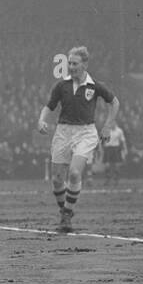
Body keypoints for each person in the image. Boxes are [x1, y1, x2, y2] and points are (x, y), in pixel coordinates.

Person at [38, 46, 119, 231]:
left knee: (74, 173)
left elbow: (114, 103)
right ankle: (65, 213)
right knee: (58, 179)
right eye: (70, 64)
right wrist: (41, 120)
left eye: (75, 63)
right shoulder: (61, 85)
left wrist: (107, 126)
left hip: (85, 132)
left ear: (85, 64)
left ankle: (66, 215)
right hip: (63, 132)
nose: (72, 67)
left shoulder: (95, 86)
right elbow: (49, 106)